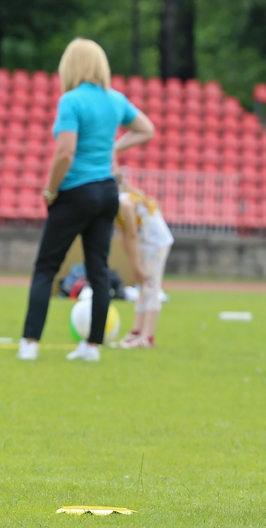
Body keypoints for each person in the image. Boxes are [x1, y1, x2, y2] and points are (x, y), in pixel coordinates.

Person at [16, 38, 154, 362]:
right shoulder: (115, 99)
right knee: (98, 270)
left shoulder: (71, 100)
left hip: (76, 192)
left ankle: (30, 342)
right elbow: (146, 129)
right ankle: (92, 346)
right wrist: (113, 148)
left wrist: (49, 190)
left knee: (46, 267)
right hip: (107, 192)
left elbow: (65, 152)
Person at [114, 173, 173, 348]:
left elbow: (131, 235)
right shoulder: (114, 205)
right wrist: (134, 267)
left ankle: (147, 336)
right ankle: (137, 332)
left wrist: (136, 267)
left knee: (151, 286)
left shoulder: (124, 203)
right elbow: (124, 238)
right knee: (141, 287)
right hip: (144, 243)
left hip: (156, 243)